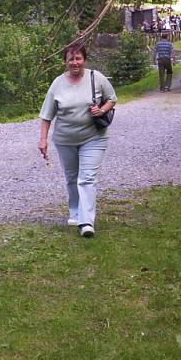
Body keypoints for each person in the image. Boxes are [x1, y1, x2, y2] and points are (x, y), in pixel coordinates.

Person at [38, 43, 117, 238]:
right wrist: (43, 140)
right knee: (72, 178)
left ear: (84, 60)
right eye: (71, 59)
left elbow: (112, 98)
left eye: (78, 58)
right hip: (65, 139)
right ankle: (74, 211)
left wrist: (102, 110)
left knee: (87, 178)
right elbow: (47, 114)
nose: (75, 63)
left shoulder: (96, 78)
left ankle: (86, 221)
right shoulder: (57, 83)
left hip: (94, 137)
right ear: (65, 62)